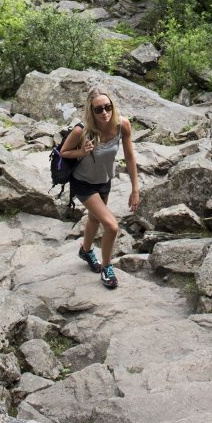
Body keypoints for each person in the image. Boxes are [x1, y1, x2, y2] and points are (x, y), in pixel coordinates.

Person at [59, 87, 139, 289]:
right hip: (83, 183)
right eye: (98, 109)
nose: (104, 112)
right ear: (91, 111)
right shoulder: (82, 130)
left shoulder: (123, 125)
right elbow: (63, 152)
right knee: (111, 226)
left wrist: (135, 189)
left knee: (95, 218)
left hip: (104, 181)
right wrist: (81, 151)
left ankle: (86, 250)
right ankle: (106, 267)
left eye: (107, 107)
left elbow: (129, 157)